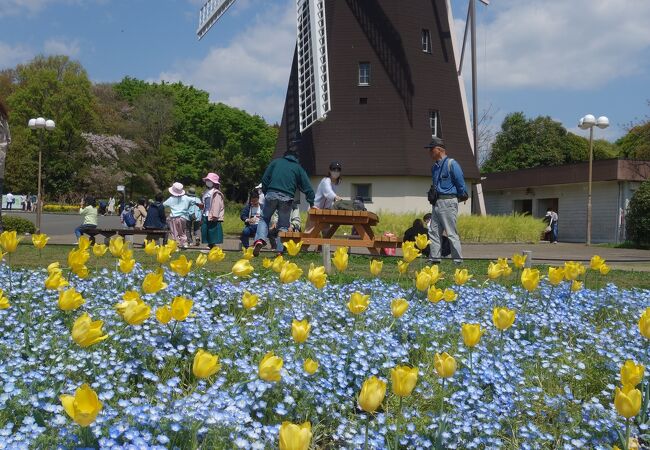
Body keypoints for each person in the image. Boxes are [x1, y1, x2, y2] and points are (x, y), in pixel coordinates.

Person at [252, 148, 315, 256]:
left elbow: (265, 179)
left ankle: (260, 240)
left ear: (284, 156)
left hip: (271, 194)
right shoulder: (298, 168)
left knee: (264, 218)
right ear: (296, 158)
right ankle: (280, 252)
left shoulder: (275, 162)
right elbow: (307, 186)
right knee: (284, 226)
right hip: (287, 198)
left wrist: (267, 192)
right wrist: (311, 202)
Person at [425, 137, 468, 264]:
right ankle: (435, 259)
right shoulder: (434, 167)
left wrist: (461, 195)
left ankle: (457, 261)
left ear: (439, 149)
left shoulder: (452, 164)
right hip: (437, 202)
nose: (429, 152)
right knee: (433, 231)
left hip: (448, 202)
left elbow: (460, 183)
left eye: (431, 149)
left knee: (451, 233)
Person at [164, 182, 195, 249]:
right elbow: (194, 201)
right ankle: (185, 243)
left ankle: (177, 245)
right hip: (183, 217)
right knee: (182, 231)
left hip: (173, 218)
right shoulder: (186, 198)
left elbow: (164, 204)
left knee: (175, 232)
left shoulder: (171, 199)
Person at [201, 173, 225, 248]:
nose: (208, 181)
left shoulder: (216, 193)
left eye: (209, 180)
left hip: (212, 215)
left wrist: (215, 215)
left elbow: (217, 205)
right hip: (205, 213)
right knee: (206, 230)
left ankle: (212, 245)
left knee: (212, 231)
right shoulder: (206, 192)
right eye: (207, 180)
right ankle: (210, 245)